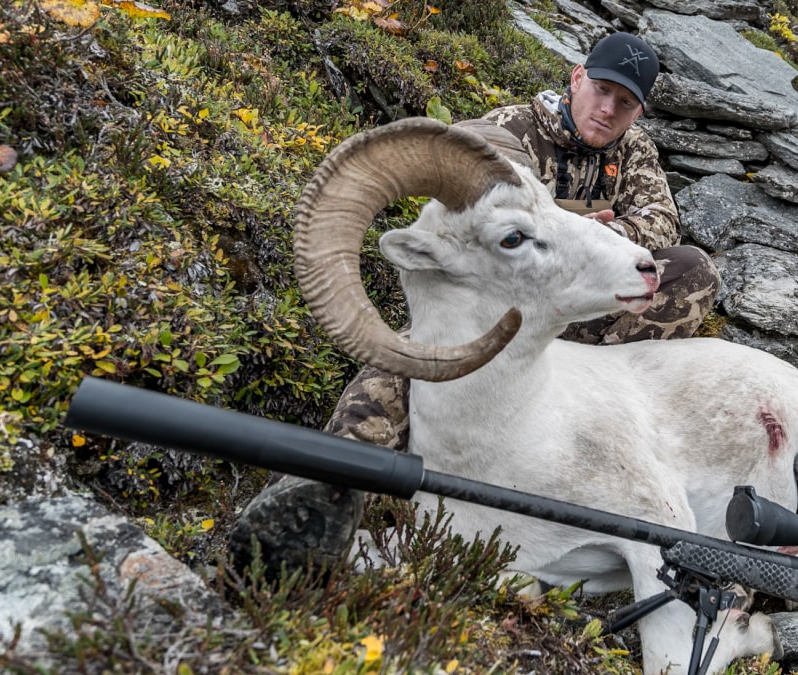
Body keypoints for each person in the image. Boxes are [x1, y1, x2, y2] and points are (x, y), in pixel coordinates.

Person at [228, 32, 721, 575]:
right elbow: (459, 219)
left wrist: (602, 232)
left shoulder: (634, 151)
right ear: (577, 77)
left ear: (638, 110)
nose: (608, 109)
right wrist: (548, 229)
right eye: (601, 90)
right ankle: (319, 488)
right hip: (495, 304)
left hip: (573, 302)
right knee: (401, 370)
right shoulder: (510, 132)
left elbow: (659, 221)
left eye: (625, 102)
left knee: (693, 271)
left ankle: (594, 397)